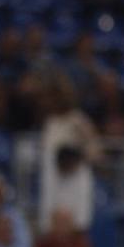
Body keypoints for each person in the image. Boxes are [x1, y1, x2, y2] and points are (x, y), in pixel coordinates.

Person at [38, 73, 101, 233]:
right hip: (53, 175)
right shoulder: (50, 121)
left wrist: (75, 159)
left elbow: (96, 152)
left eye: (54, 97)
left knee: (76, 224)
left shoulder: (78, 120)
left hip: (75, 177)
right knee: (50, 223)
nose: (50, 101)